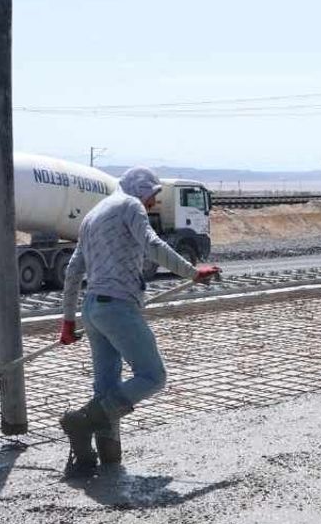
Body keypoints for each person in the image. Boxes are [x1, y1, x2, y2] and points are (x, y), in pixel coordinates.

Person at [57, 166, 220, 478]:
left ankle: (105, 459)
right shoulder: (130, 205)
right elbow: (152, 244)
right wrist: (192, 272)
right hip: (117, 306)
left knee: (107, 387)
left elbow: (74, 269)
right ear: (141, 189)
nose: (151, 205)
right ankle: (81, 422)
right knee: (153, 376)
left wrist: (67, 320)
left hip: (93, 309)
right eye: (152, 198)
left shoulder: (93, 215)